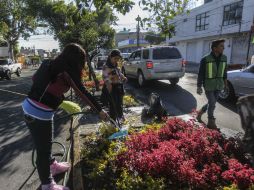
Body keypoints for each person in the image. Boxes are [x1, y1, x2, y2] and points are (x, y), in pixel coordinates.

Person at [22, 43, 108, 190]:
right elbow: (82, 91)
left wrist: (53, 92)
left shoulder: (49, 63)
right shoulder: (68, 71)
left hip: (31, 108)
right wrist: (99, 110)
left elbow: (35, 79)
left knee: (46, 143)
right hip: (38, 113)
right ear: (77, 59)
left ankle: (52, 166)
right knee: (43, 150)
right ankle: (47, 185)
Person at [196, 39, 227, 129]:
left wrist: (226, 84)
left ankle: (199, 113)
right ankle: (211, 122)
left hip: (219, 85)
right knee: (212, 103)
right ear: (214, 48)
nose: (223, 48)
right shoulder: (205, 59)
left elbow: (224, 72)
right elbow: (201, 73)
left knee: (211, 102)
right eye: (221, 46)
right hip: (209, 85)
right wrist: (199, 86)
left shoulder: (224, 58)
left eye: (223, 46)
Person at [101, 49, 127, 123]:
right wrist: (108, 83)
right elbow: (104, 76)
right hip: (111, 87)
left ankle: (120, 117)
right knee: (113, 105)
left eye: (118, 59)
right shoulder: (106, 66)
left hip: (119, 86)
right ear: (110, 57)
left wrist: (123, 77)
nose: (116, 60)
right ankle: (113, 121)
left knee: (119, 103)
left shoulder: (116, 66)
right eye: (115, 58)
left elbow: (119, 73)